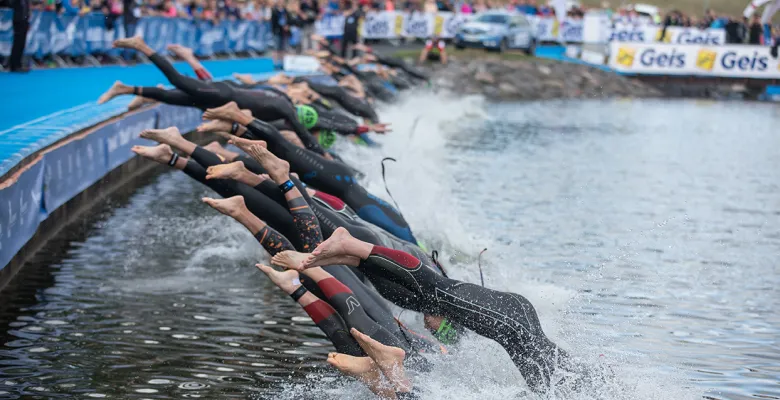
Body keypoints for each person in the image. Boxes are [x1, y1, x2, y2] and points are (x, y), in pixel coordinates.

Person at [287, 227, 579, 393]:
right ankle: (352, 244)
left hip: (513, 324)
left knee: (423, 298)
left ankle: (351, 258)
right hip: (514, 323)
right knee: (434, 289)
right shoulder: (580, 386)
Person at [200, 101, 421, 245]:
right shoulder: (405, 240)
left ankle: (233, 138)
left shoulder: (401, 237)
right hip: (338, 183)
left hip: (336, 191)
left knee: (284, 169)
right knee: (285, 153)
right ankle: (237, 119)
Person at [96, 37, 331, 158]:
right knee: (177, 81)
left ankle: (125, 89)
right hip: (222, 95)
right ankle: (142, 47)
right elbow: (304, 136)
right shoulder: (285, 111)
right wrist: (322, 154)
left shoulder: (280, 101)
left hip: (222, 94)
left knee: (173, 97)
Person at [9, 0, 31, 72]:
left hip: (24, 20)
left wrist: (27, 21)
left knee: (22, 43)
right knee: (17, 43)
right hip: (18, 20)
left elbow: (27, 9)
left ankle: (18, 63)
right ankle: (14, 64)